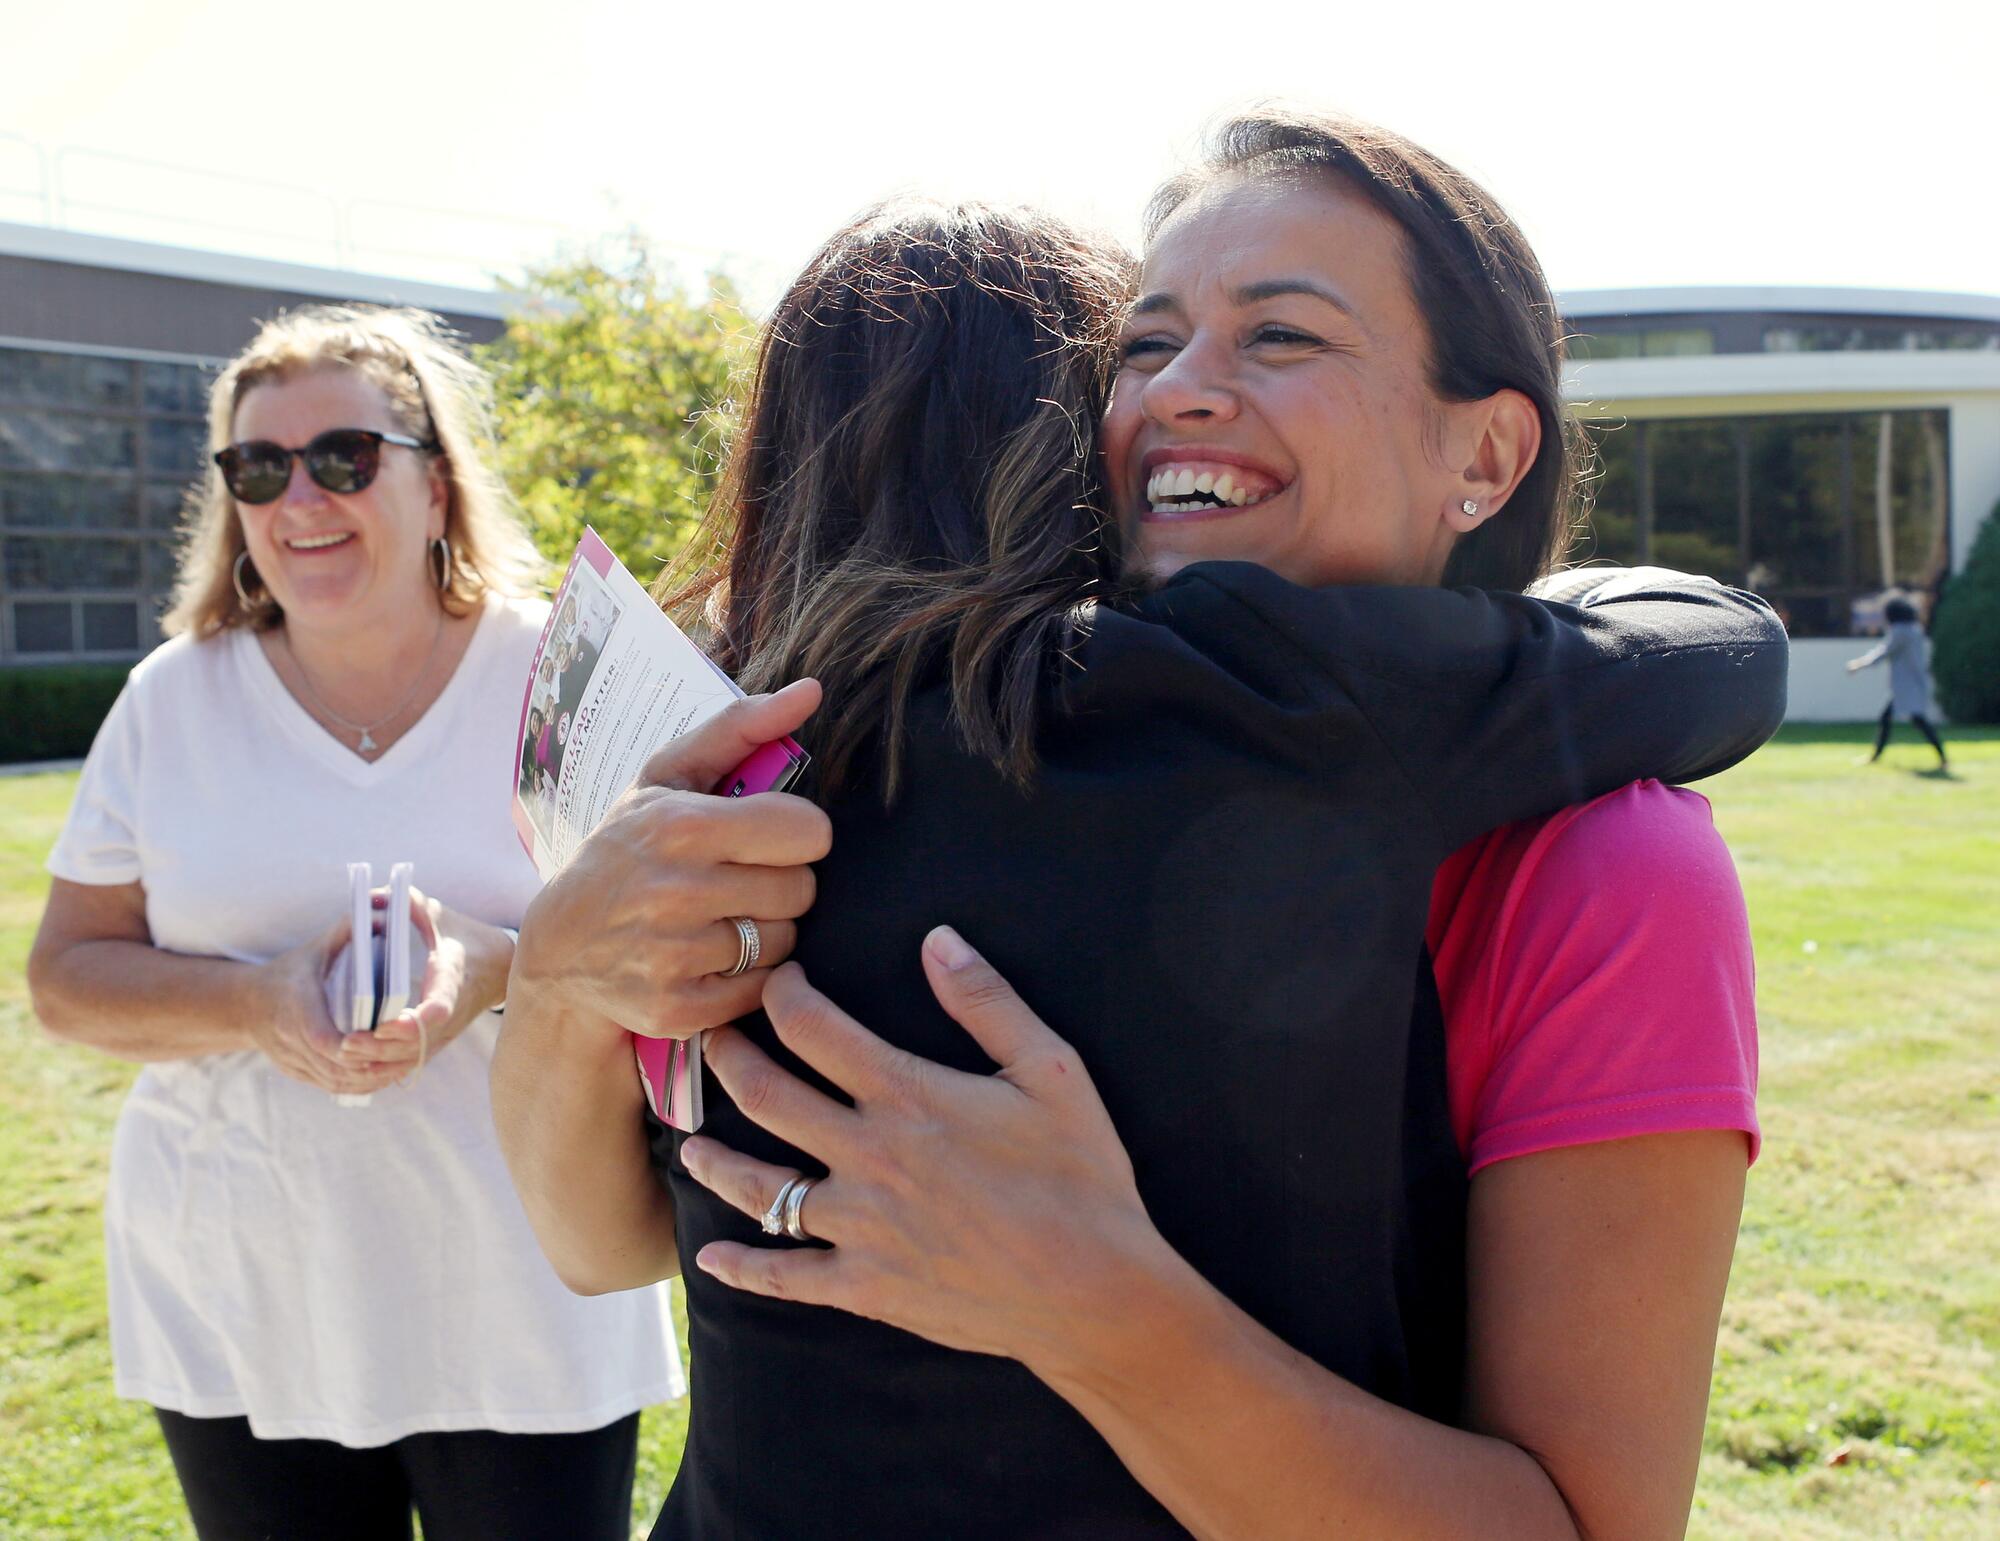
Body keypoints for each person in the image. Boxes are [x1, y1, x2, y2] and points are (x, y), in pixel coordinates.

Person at [495, 118, 1783, 1540]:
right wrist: (561, 972)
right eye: (1140, 348)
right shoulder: (905, 762)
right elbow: (627, 1236)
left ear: (1484, 449)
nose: (1179, 394)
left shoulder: (1601, 864)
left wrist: (1095, 1305)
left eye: (1282, 336)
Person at [27, 306, 683, 1541]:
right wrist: (256, 1000)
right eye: (257, 467)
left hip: (526, 1276)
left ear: (435, 484)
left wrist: (499, 968)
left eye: (343, 456)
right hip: (239, 1283)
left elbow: (690, 945)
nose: (298, 496)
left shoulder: (567, 676)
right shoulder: (171, 699)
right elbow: (65, 977)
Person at [1849, 594, 1947, 767]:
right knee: (1891, 718)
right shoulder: (1914, 629)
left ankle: (1942, 757)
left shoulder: (1901, 631)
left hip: (1907, 685)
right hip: (1912, 683)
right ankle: (1877, 756)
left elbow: (1884, 651)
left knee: (1917, 720)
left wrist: (1859, 664)